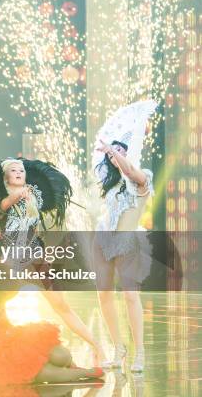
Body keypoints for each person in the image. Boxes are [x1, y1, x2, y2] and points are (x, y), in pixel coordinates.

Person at [0, 156, 107, 365]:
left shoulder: (34, 195)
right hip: (10, 261)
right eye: (14, 170)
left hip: (36, 259)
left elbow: (37, 221)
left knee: (61, 306)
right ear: (5, 176)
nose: (19, 173)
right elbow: (1, 206)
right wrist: (17, 195)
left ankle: (97, 347)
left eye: (21, 171)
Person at [0, 290, 103, 385]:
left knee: (63, 356)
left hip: (17, 343)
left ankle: (70, 366)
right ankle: (87, 372)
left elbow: (8, 327)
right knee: (44, 374)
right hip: (4, 358)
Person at [94, 138, 153, 372]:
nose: (113, 155)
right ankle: (118, 348)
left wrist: (112, 151)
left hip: (128, 242)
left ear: (128, 152)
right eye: (110, 154)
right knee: (104, 295)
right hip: (103, 238)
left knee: (130, 296)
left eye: (118, 151)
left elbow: (129, 170)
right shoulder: (110, 183)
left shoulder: (141, 177)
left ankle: (139, 353)